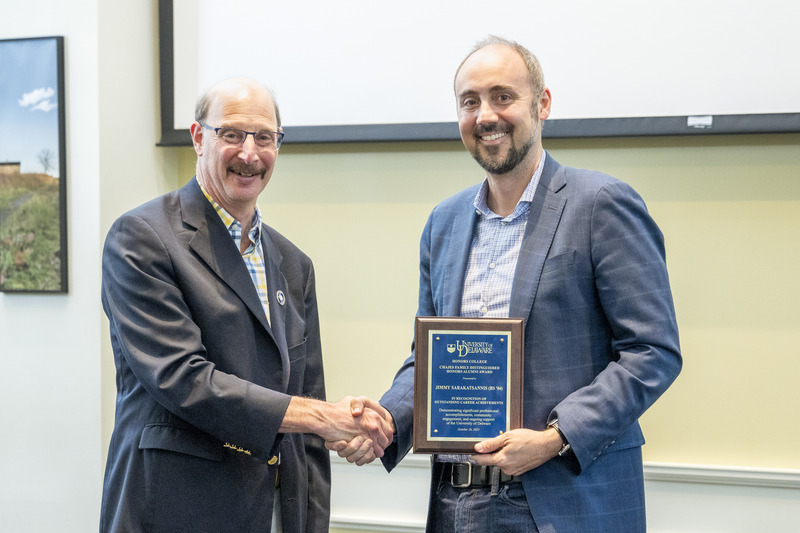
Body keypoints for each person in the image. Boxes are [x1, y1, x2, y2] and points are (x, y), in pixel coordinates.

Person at [329, 36, 682, 532]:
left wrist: (555, 437)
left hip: (565, 501)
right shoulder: (444, 222)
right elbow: (430, 358)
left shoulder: (601, 204)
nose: (486, 115)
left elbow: (652, 352)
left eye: (502, 96)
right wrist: (385, 422)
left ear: (542, 105)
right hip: (456, 502)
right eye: (469, 102)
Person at [100, 77, 392, 533]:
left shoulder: (294, 265)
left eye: (264, 137)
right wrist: (324, 417)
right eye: (232, 134)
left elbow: (306, 402)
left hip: (274, 511)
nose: (250, 154)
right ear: (199, 138)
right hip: (174, 510)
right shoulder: (141, 238)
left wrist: (331, 435)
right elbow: (184, 380)